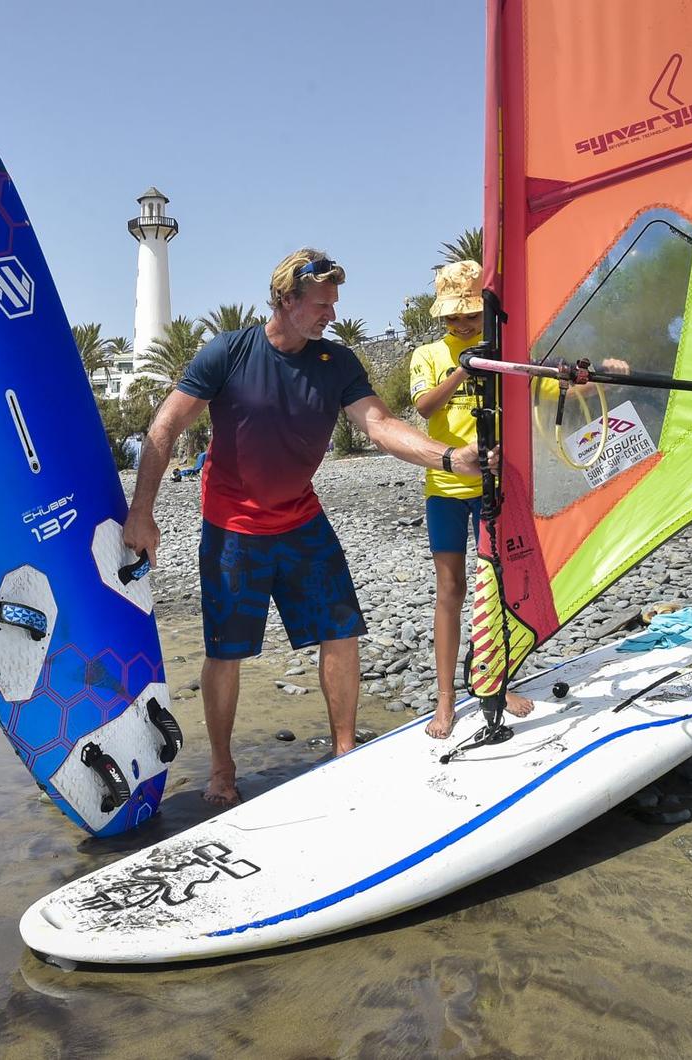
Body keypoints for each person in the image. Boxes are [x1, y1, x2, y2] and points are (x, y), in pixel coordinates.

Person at [122, 248, 490, 807]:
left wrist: (447, 458)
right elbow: (166, 425)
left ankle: (344, 749)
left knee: (341, 632)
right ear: (286, 301)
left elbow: (381, 425)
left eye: (334, 304)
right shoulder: (228, 353)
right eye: (321, 305)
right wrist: (142, 510)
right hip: (233, 529)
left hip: (301, 518)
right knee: (226, 651)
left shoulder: (335, 363)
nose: (331, 315)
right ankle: (222, 768)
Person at [408, 260, 537, 738]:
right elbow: (423, 407)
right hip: (444, 491)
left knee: (497, 589)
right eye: (454, 319)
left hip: (494, 489)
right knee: (452, 592)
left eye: (471, 317)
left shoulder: (504, 351)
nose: (462, 326)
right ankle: (445, 701)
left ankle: (498, 684)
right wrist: (464, 370)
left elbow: (527, 406)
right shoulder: (428, 354)